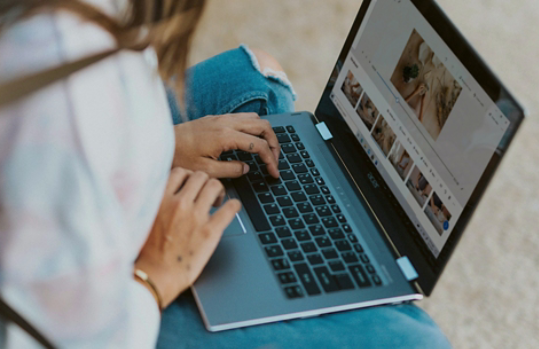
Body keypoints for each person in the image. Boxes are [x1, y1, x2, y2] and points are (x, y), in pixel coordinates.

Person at [0, 0, 451, 348]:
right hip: (111, 309)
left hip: (88, 191)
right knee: (413, 340)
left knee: (256, 80)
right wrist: (154, 276)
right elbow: (49, 333)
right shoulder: (64, 99)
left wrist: (161, 145)